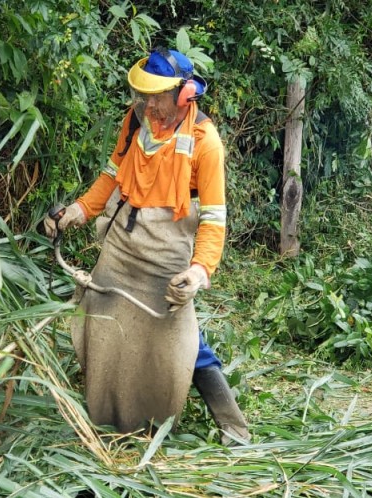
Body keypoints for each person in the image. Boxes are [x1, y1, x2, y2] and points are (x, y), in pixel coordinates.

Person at [44, 47, 249, 444]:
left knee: (181, 337)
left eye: (157, 96)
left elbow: (213, 218)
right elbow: (112, 173)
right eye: (145, 94)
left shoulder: (206, 143)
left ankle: (233, 425)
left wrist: (198, 271)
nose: (148, 103)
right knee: (101, 319)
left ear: (184, 95)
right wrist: (80, 210)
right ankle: (109, 414)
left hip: (165, 256)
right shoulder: (137, 120)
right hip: (121, 246)